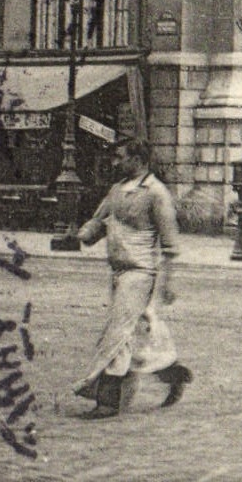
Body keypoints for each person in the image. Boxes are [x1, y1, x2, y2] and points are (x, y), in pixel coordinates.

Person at [74, 139, 192, 418]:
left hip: (140, 273)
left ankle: (107, 401)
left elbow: (170, 244)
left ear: (138, 160)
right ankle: (171, 373)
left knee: (118, 333)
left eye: (120, 157)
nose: (114, 163)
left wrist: (169, 282)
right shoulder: (117, 190)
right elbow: (100, 220)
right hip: (118, 272)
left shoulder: (156, 193)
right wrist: (84, 233)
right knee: (136, 332)